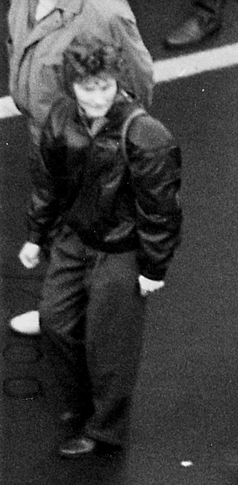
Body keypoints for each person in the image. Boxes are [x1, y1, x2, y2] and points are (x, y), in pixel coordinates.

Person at [17, 35, 182, 458]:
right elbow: (49, 183)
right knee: (55, 320)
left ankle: (105, 428)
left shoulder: (145, 134)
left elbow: (161, 210)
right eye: (88, 87)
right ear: (72, 85)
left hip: (122, 247)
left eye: (105, 86)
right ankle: (80, 403)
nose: (97, 97)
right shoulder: (60, 118)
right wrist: (36, 235)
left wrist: (152, 269)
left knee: (111, 345)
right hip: (76, 237)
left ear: (118, 83)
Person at [6, 0, 154, 336]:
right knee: (57, 221)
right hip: (45, 137)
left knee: (92, 233)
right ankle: (60, 309)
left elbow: (139, 81)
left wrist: (111, 142)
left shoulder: (104, 11)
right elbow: (16, 50)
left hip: (91, 150)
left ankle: (88, 316)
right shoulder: (22, 3)